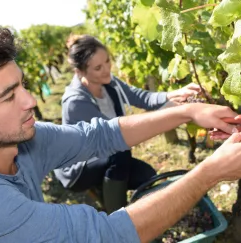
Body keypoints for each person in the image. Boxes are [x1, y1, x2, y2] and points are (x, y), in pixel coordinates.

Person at [0, 26, 241, 243]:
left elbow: (99, 136)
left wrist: (186, 111)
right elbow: (107, 236)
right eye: (9, 96)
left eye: (22, 85)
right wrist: (210, 173)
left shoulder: (23, 141)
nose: (29, 101)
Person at [54, 34, 202, 213]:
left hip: (104, 155)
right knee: (121, 153)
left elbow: (141, 97)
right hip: (77, 168)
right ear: (80, 72)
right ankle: (118, 220)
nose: (107, 69)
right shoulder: (76, 102)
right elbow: (117, 136)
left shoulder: (109, 81)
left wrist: (172, 95)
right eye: (98, 67)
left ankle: (110, 195)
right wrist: (172, 112)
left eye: (108, 61)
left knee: (147, 176)